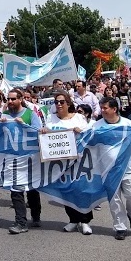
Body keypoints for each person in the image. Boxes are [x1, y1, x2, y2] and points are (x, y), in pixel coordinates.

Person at [42, 91, 93, 235]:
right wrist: (43, 131)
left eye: (62, 102)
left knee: (82, 190)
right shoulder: (51, 119)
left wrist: (80, 131)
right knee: (66, 190)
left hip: (79, 161)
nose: (58, 104)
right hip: (60, 163)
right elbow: (46, 138)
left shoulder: (78, 118)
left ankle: (85, 221)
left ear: (68, 103)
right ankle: (73, 220)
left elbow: (89, 136)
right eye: (56, 102)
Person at [0, 89, 43, 234]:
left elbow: (39, 131)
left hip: (30, 159)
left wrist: (25, 125)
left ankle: (36, 216)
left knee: (32, 189)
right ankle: (21, 222)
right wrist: (0, 124)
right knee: (16, 191)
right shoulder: (4, 115)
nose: (10, 102)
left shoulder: (30, 114)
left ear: (20, 99)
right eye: (8, 99)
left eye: (13, 99)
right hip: (12, 159)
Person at [97, 97, 131, 240]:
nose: (102, 111)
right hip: (108, 170)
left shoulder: (128, 124)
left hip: (128, 168)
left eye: (105, 108)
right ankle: (120, 227)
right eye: (101, 108)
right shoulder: (97, 126)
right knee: (114, 200)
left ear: (114, 109)